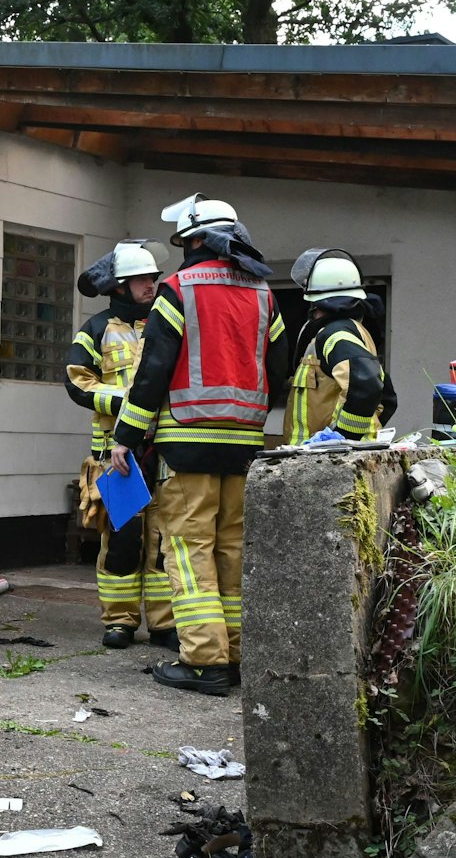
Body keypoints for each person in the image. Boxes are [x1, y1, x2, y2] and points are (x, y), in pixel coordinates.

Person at [108, 194, 290, 697]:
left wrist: (126, 435)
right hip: (244, 443)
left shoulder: (178, 288)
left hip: (186, 442)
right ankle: (232, 655)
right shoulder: (263, 292)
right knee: (231, 548)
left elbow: (153, 371)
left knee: (188, 552)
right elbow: (278, 369)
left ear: (194, 240)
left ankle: (204, 662)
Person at [65, 240, 177, 651]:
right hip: (116, 454)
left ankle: (165, 625)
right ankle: (119, 622)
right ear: (118, 287)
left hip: (163, 448)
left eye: (153, 278)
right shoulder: (95, 329)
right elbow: (76, 381)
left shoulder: (168, 321)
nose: (151, 285)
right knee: (123, 539)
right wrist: (122, 403)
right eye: (141, 280)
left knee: (164, 540)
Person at [284, 248, 397, 445]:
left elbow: (368, 384)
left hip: (335, 460)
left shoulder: (335, 335)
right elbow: (386, 398)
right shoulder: (353, 332)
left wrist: (342, 437)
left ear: (318, 304)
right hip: (330, 459)